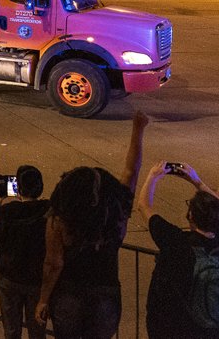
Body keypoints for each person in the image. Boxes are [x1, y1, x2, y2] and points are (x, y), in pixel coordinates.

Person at [36, 109, 149, 339]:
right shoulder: (116, 212)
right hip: (105, 294)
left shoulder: (60, 218)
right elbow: (131, 171)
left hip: (69, 293)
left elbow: (53, 263)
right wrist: (138, 130)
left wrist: (43, 299)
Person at [139, 161, 219, 338]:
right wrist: (197, 181)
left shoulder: (177, 241)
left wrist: (153, 177)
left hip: (179, 329)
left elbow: (144, 206)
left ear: (191, 216)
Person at [0, 165, 49, 339]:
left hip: (10, 277)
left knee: (11, 329)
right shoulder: (48, 210)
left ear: (19, 188)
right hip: (36, 279)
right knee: (37, 329)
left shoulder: (9, 211)